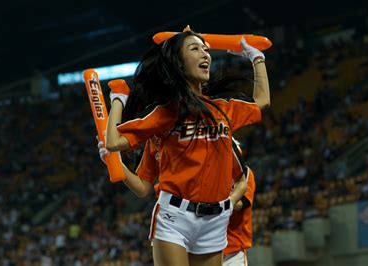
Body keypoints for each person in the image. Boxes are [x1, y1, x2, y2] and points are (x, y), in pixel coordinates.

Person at [104, 28, 269, 266]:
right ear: (179, 66)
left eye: (205, 49)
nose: (205, 54)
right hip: (175, 216)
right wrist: (118, 100)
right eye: (195, 49)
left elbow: (262, 101)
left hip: (215, 217)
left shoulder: (223, 109)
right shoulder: (166, 113)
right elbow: (113, 142)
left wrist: (256, 58)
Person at [97, 137, 255, 266]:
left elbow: (239, 204)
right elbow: (142, 188)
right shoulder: (171, 188)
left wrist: (216, 202)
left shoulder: (244, 176)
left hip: (230, 253)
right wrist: (116, 163)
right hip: (190, 252)